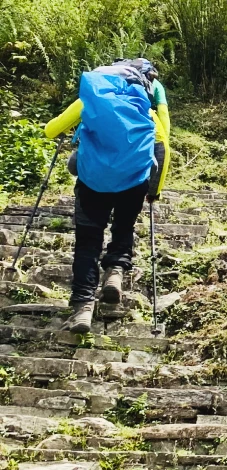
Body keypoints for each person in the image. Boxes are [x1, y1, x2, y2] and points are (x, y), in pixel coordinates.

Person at [44, 59, 171, 334]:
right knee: (123, 227)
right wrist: (154, 190)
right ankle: (114, 273)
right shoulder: (144, 107)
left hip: (93, 181)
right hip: (134, 181)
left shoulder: (93, 98)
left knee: (88, 242)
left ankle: (83, 307)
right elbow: (163, 146)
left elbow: (51, 130)